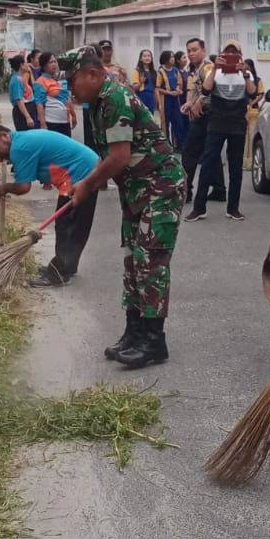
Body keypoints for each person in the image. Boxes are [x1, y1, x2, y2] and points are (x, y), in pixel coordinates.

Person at [63, 50, 185, 370]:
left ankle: (154, 341)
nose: (69, 87)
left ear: (92, 74)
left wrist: (87, 185)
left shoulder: (115, 97)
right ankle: (134, 332)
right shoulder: (98, 104)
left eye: (72, 79)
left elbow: (118, 157)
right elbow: (111, 160)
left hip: (160, 187)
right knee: (133, 261)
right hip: (136, 190)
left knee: (151, 261)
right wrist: (85, 184)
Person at [0, 125, 99, 288]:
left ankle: (60, 273)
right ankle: (66, 266)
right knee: (74, 224)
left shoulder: (19, 148)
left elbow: (23, 187)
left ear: (4, 136)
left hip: (80, 172)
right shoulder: (21, 141)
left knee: (68, 225)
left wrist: (4, 188)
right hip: (86, 167)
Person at [186, 40, 256, 222]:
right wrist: (216, 68)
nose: (231, 56)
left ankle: (233, 208)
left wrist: (245, 74)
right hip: (216, 123)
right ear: (222, 54)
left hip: (237, 124)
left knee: (235, 169)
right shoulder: (213, 72)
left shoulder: (246, 73)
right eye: (227, 52)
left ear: (240, 55)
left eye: (235, 53)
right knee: (207, 164)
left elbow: (253, 93)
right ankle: (199, 208)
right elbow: (206, 90)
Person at [179, 37, 226, 202]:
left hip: (204, 116)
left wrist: (199, 103)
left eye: (194, 50)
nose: (191, 54)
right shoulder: (197, 68)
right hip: (206, 115)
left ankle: (186, 191)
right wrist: (189, 103)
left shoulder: (206, 67)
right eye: (189, 51)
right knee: (211, 154)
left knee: (189, 154)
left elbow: (212, 88)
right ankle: (219, 189)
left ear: (203, 50)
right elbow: (198, 90)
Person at [37, 52, 76, 138]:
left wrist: (73, 115)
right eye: (50, 62)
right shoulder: (40, 82)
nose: (54, 64)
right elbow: (39, 104)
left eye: (55, 61)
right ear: (44, 66)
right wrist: (43, 124)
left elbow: (67, 99)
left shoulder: (62, 79)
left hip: (65, 121)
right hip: (51, 122)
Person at [158, 50, 188, 149]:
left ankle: (180, 145)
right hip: (165, 99)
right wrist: (169, 92)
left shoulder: (175, 70)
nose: (173, 59)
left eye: (173, 57)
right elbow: (157, 88)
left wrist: (178, 90)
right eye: (171, 57)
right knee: (165, 123)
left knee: (178, 122)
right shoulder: (161, 71)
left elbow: (179, 84)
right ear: (166, 59)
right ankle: (165, 145)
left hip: (175, 100)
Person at [243, 57, 263, 169]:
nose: (244, 68)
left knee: (251, 136)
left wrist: (251, 104)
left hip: (253, 111)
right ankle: (244, 162)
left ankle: (251, 162)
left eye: (246, 66)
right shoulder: (240, 78)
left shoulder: (257, 80)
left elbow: (260, 94)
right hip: (242, 110)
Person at [8, 55, 37, 130]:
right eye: (26, 63)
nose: (28, 65)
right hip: (23, 113)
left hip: (28, 109)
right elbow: (19, 100)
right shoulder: (17, 80)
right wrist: (28, 117)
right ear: (21, 65)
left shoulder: (21, 77)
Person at [132, 49, 158, 114]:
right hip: (141, 96)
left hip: (151, 97)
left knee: (150, 118)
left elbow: (155, 88)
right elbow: (134, 88)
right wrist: (141, 82)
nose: (147, 58)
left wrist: (157, 102)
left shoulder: (154, 72)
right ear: (141, 59)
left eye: (149, 56)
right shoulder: (137, 71)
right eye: (145, 56)